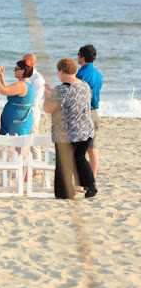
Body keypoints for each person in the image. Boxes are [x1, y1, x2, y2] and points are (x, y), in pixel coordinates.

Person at [43, 57, 97, 199]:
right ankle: (91, 185)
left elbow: (47, 108)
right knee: (79, 158)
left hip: (67, 134)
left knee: (63, 164)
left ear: (61, 71)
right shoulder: (85, 85)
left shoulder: (62, 90)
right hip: (85, 130)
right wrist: (53, 95)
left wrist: (47, 96)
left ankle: (65, 192)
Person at [76, 44, 102, 179]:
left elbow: (77, 93)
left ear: (82, 57)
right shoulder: (98, 74)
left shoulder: (82, 73)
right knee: (92, 149)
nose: (77, 57)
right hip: (94, 112)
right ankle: (92, 178)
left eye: (78, 55)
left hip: (84, 113)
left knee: (80, 150)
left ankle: (84, 180)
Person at [0, 60, 35, 136]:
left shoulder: (21, 85)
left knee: (18, 144)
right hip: (19, 118)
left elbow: (1, 90)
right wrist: (1, 77)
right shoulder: (26, 83)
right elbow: (7, 90)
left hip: (18, 120)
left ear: (22, 71)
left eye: (16, 69)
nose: (14, 71)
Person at [23, 53, 46, 168]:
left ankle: (37, 169)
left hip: (32, 111)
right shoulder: (25, 76)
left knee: (33, 139)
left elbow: (35, 99)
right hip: (23, 110)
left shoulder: (38, 78)